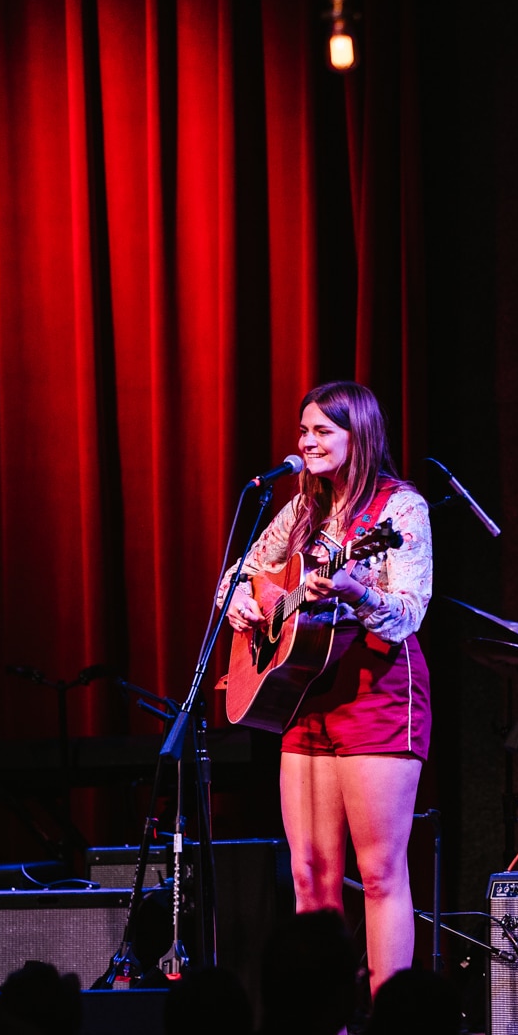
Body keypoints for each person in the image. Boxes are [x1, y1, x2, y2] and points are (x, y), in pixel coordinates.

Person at [221, 383, 432, 995]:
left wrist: (356, 590)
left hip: (377, 691)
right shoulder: (301, 510)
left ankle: (391, 1028)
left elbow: (409, 612)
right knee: (309, 874)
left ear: (357, 436)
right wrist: (240, 602)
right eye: (303, 431)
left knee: (379, 871)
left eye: (321, 432)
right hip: (304, 692)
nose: (306, 442)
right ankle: (324, 1030)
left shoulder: (400, 508)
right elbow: (238, 575)